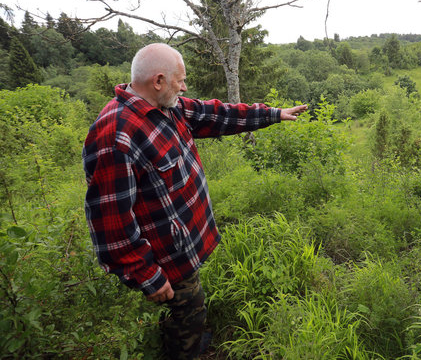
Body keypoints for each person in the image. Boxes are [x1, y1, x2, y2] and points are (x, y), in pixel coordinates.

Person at [82, 43, 307, 359]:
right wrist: (146, 274)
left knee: (188, 310)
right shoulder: (116, 135)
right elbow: (111, 223)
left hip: (182, 249)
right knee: (189, 313)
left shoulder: (167, 107)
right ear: (158, 80)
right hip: (165, 261)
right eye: (180, 80)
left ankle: (188, 336)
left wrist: (272, 114)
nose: (184, 87)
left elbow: (217, 115)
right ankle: (185, 347)